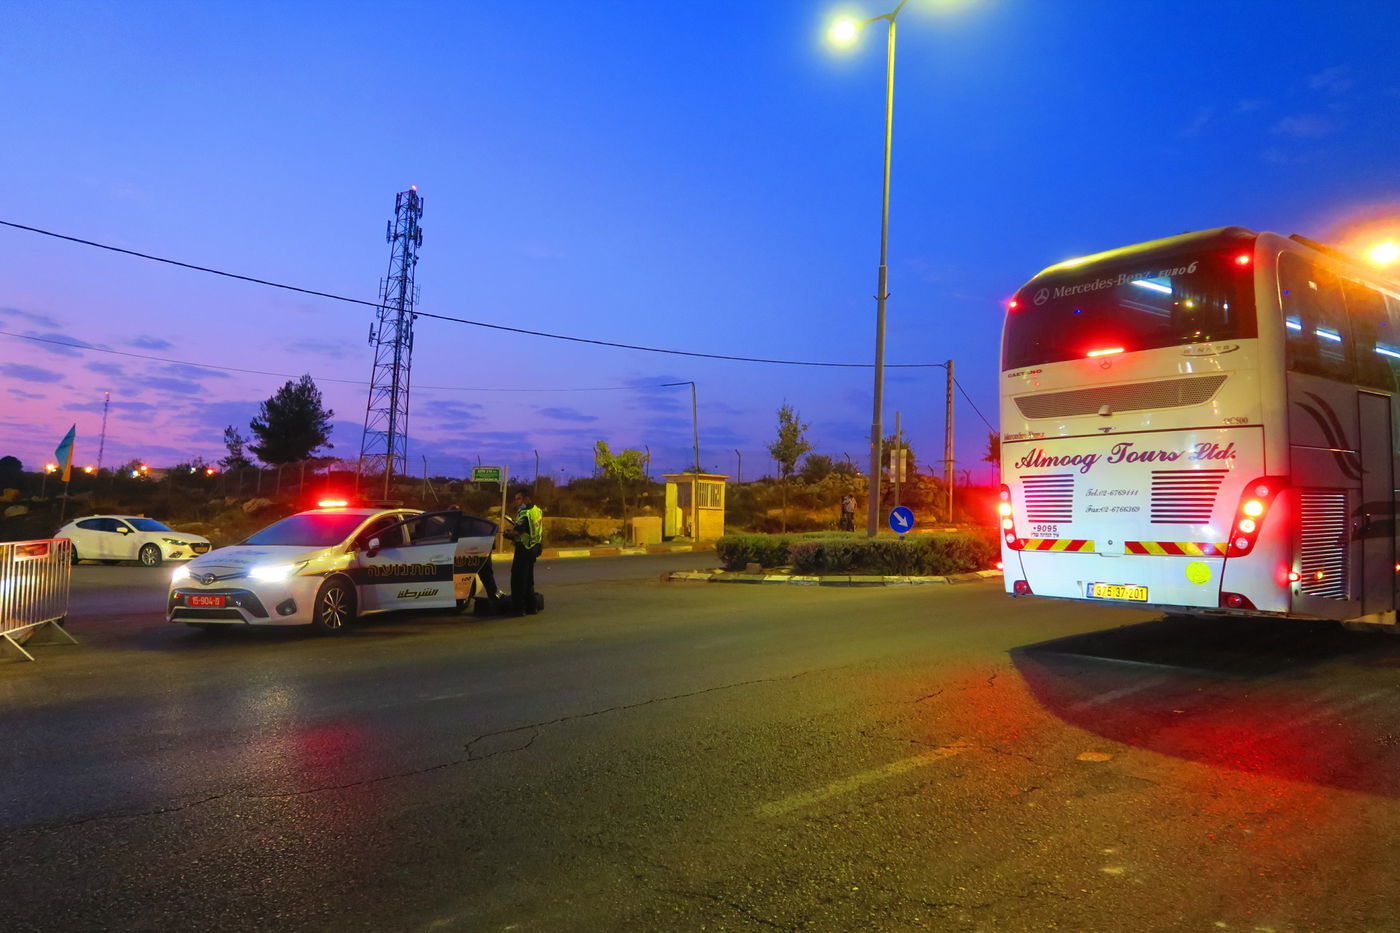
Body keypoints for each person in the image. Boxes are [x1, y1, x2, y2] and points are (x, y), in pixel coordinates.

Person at [503, 486, 543, 616]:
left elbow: (518, 531)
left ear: (526, 499)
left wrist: (508, 534)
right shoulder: (537, 510)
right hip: (534, 548)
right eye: (516, 499)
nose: (516, 501)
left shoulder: (525, 513)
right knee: (528, 579)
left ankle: (518, 609)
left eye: (519, 499)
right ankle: (532, 607)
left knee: (518, 580)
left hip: (524, 549)